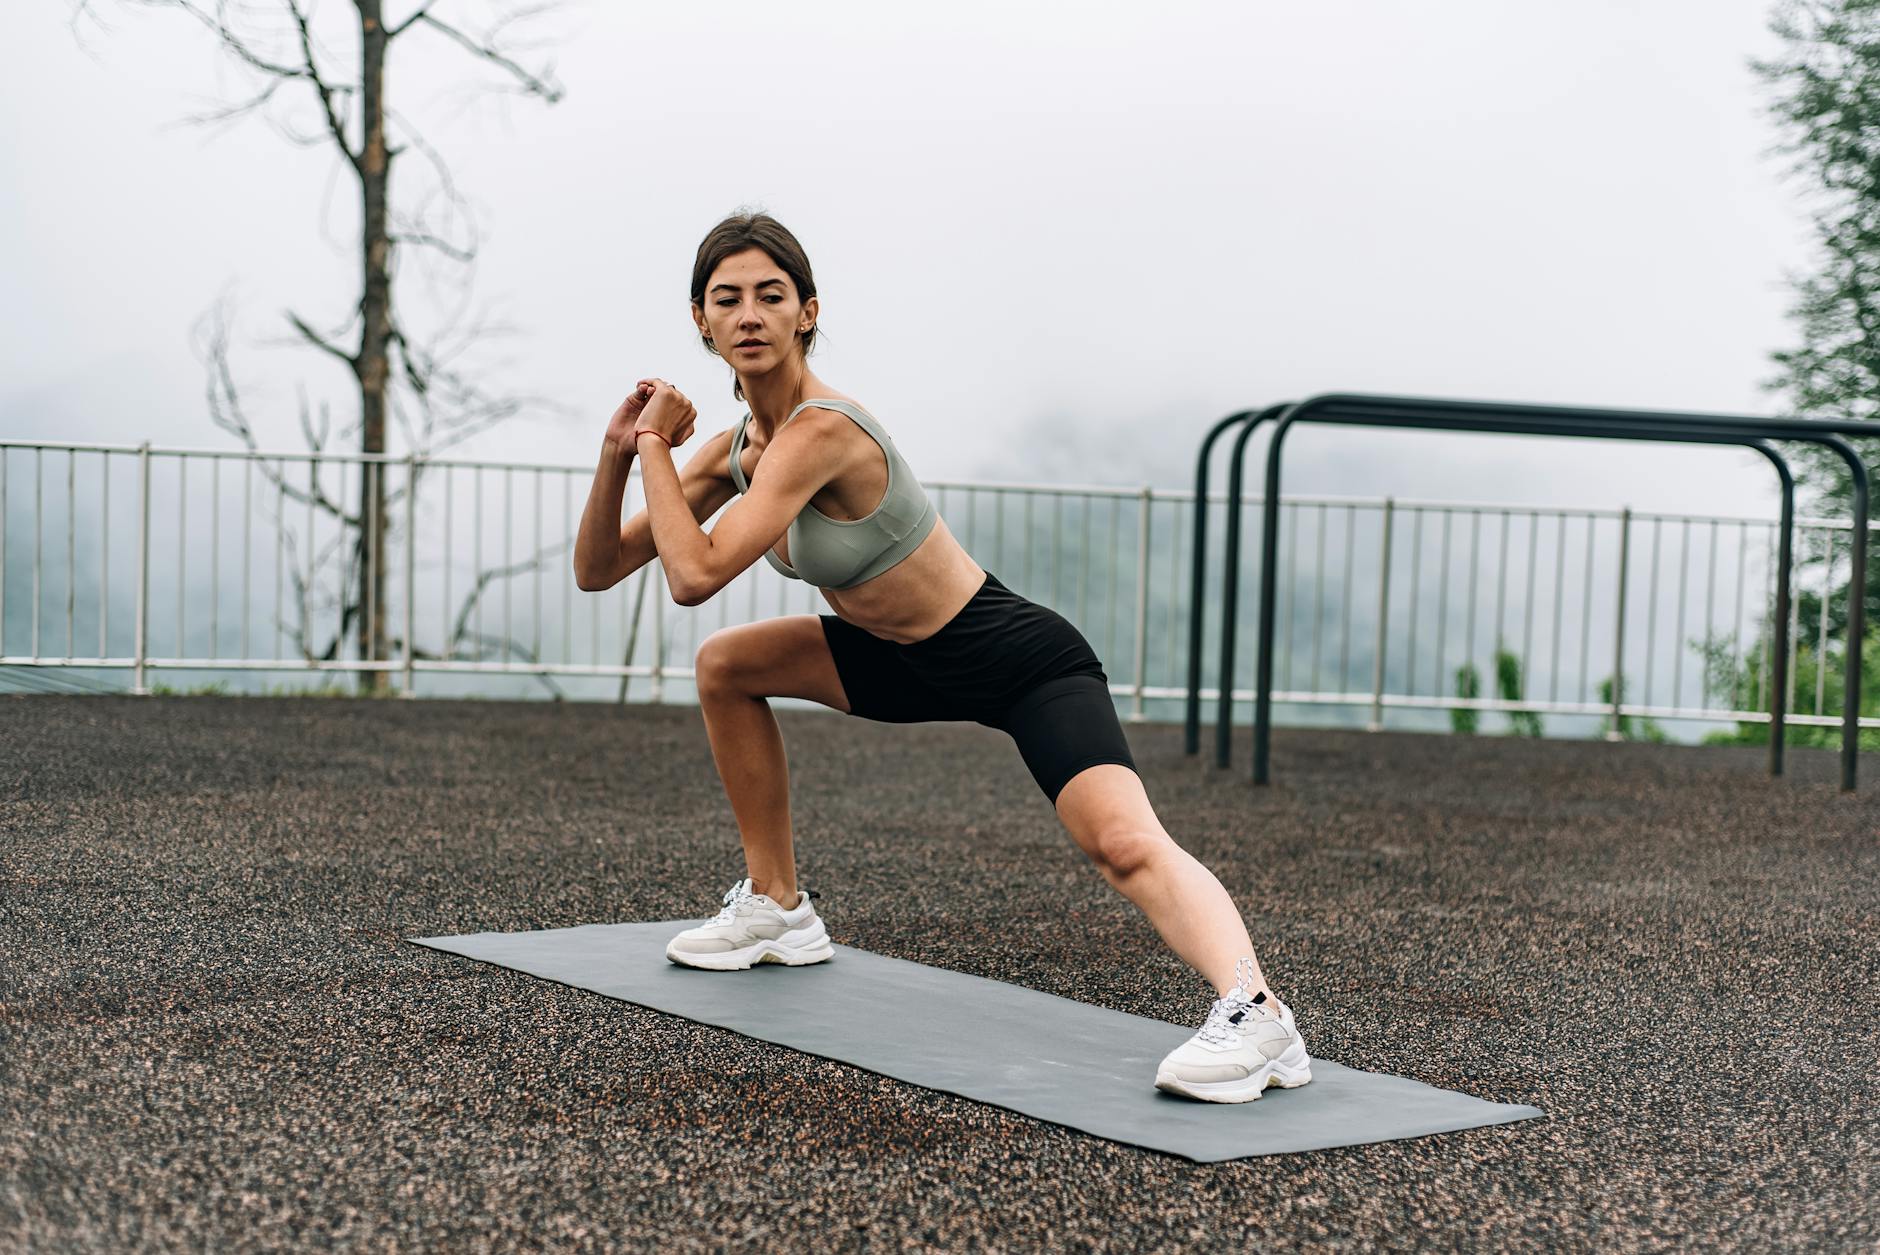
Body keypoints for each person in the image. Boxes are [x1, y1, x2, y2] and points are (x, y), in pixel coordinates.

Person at [572, 211, 1311, 1104]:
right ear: (701, 322)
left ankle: (1260, 1014)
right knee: (728, 666)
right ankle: (777, 906)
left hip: (1009, 653)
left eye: (772, 296)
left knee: (1120, 842)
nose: (751, 315)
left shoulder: (821, 433)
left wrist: (655, 442)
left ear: (808, 312)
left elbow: (692, 576)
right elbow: (600, 567)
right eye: (727, 300)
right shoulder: (740, 451)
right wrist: (621, 451)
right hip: (890, 655)